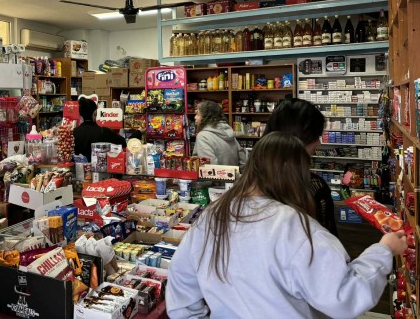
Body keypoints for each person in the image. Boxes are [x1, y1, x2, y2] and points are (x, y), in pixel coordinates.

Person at [166, 132, 407, 318]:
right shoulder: (294, 226)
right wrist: (384, 250)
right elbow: (344, 297)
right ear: (297, 175)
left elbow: (181, 286)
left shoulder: (212, 215)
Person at [263, 97, 338, 237]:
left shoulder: (250, 183)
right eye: (316, 136)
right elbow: (329, 243)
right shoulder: (314, 188)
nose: (319, 143)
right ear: (298, 140)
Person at [193, 100, 246, 168]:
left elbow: (210, 168)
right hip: (233, 174)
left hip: (216, 174)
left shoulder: (203, 136)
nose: (195, 117)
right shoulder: (228, 132)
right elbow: (243, 161)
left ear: (206, 116)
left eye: (197, 114)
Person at [73, 97, 127, 161]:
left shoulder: (74, 132)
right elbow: (124, 143)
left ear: (80, 114)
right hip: (100, 166)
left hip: (78, 166)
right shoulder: (104, 132)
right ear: (94, 114)